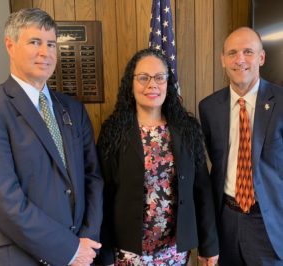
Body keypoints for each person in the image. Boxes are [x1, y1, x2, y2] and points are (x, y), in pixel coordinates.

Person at [0, 8, 103, 266]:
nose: (45, 53)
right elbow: (3, 201)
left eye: (51, 44)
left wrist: (87, 242)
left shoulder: (72, 108)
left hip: (81, 254)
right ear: (10, 45)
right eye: (34, 42)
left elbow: (92, 178)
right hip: (20, 258)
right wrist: (69, 250)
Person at [96, 48, 219, 266]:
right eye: (143, 77)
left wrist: (208, 244)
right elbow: (103, 196)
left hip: (174, 252)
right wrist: (103, 253)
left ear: (168, 84)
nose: (152, 85)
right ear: (130, 84)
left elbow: (202, 190)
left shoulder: (187, 129)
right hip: (127, 253)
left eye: (159, 78)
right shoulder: (113, 132)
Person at [199, 27, 283, 266]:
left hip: (269, 225)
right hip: (226, 222)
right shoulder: (209, 107)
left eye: (248, 51)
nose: (240, 60)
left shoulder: (282, 103)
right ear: (223, 60)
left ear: (261, 57)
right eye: (232, 53)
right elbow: (215, 165)